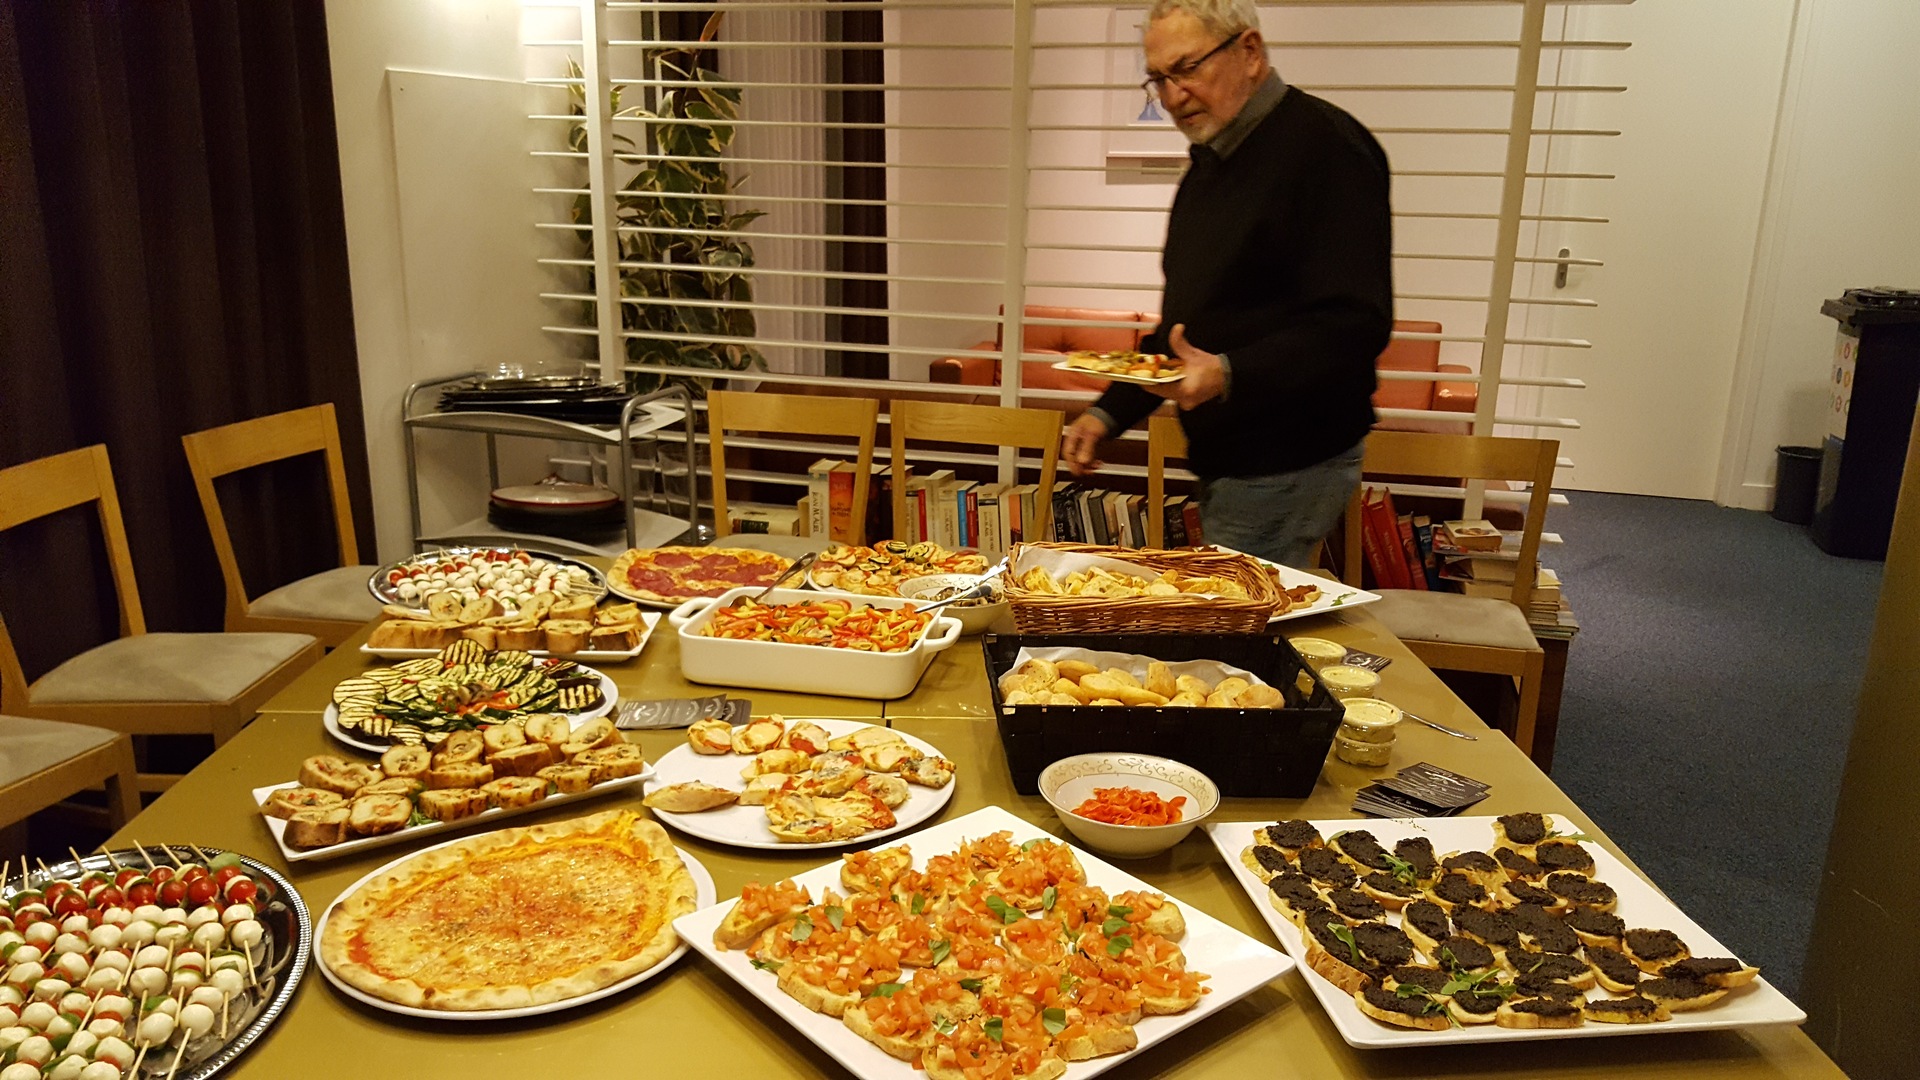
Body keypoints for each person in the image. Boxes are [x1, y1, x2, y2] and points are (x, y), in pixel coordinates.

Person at [1060, 0, 1393, 568]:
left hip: (1284, 459)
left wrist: (1228, 372)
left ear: (1250, 52)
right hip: (1234, 458)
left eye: (1187, 68)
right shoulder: (1214, 161)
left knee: (1238, 619)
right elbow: (1185, 328)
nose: (1172, 96)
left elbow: (1355, 324)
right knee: (1245, 614)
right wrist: (1108, 412)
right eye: (1158, 79)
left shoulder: (1327, 148)